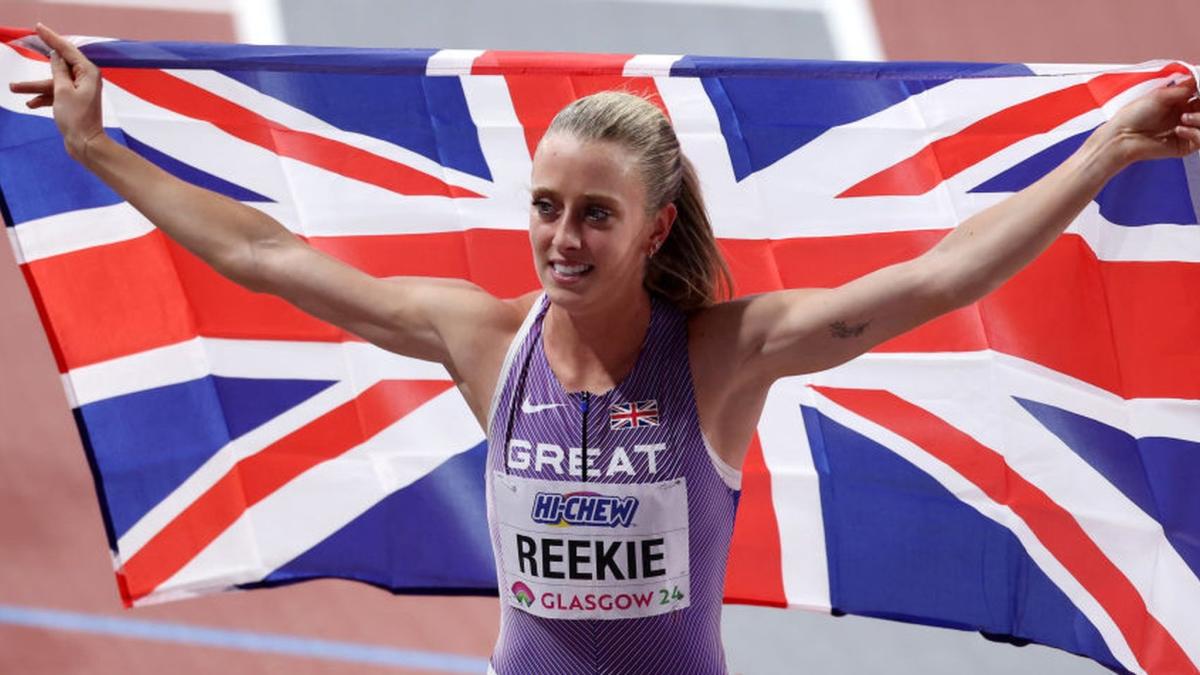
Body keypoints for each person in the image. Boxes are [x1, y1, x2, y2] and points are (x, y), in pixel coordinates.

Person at [11, 22, 1200, 675]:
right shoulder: (481, 340)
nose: (560, 239)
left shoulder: (724, 357)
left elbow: (942, 277)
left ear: (653, 229)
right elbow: (266, 257)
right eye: (544, 208)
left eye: (593, 214)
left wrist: (1103, 153)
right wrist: (99, 152)